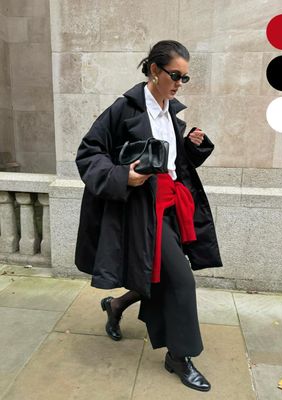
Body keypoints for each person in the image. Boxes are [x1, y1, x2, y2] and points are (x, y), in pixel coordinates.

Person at [74, 40, 223, 392]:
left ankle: (115, 305)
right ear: (154, 70)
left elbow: (170, 162)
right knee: (181, 281)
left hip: (173, 204)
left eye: (184, 78)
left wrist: (191, 146)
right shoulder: (123, 110)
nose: (179, 84)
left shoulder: (170, 112)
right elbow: (88, 154)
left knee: (156, 275)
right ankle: (179, 356)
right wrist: (123, 176)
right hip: (142, 209)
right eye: (175, 75)